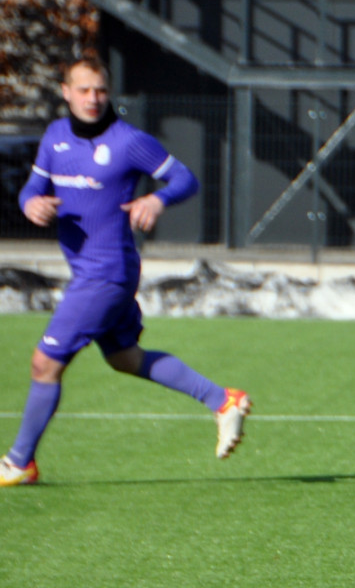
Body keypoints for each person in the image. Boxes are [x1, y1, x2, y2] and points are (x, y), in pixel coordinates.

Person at [0, 56, 251, 487]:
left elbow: (185, 179)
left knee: (45, 364)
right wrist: (31, 204)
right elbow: (32, 188)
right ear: (66, 92)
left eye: (100, 90)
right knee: (125, 359)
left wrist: (157, 200)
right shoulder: (56, 136)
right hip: (88, 273)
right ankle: (222, 400)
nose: (93, 98)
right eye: (83, 90)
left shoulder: (128, 140)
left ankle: (20, 462)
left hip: (107, 272)